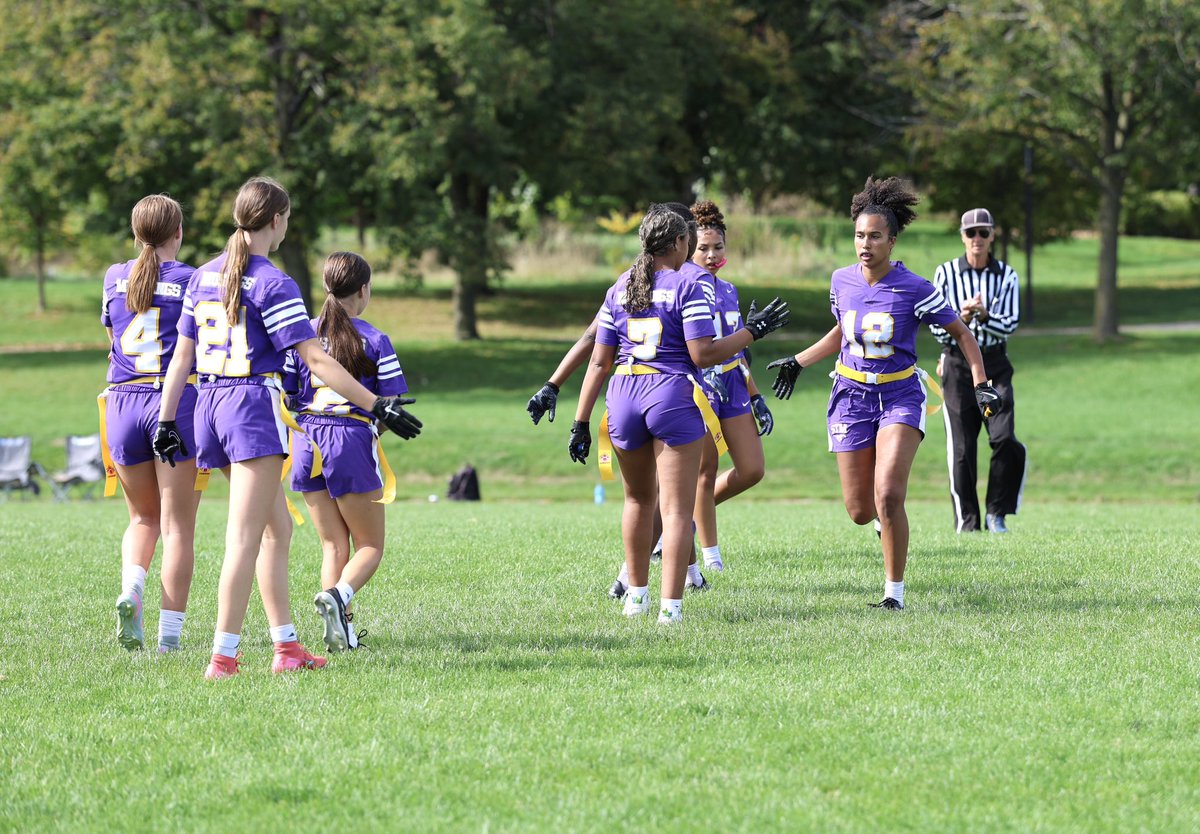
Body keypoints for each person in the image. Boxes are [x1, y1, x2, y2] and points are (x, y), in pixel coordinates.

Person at [153, 176, 422, 679]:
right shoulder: (274, 282)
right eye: (288, 219)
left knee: (276, 530)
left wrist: (167, 418)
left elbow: (182, 357)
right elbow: (316, 359)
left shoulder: (202, 276)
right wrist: (377, 405)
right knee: (244, 538)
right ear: (276, 220)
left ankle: (287, 647)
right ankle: (222, 658)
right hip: (249, 409)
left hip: (207, 406)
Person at [767, 176, 1001, 610]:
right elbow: (844, 331)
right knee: (860, 509)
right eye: (860, 235)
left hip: (900, 396)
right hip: (850, 397)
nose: (866, 244)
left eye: (875, 236)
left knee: (889, 494)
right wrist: (799, 361)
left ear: (892, 241)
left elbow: (963, 334)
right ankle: (880, 520)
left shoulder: (916, 288)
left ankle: (894, 594)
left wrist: (981, 384)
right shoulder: (841, 281)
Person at [569, 204, 789, 624]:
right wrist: (751, 332)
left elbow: (599, 362)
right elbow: (702, 353)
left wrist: (580, 421)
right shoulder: (690, 283)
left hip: (623, 394)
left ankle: (635, 598)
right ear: (679, 242)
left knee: (637, 500)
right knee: (675, 509)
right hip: (669, 392)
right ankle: (670, 609)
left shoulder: (620, 285)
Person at [282, 252, 408, 652]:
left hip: (305, 439)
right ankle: (338, 597)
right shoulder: (375, 339)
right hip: (349, 438)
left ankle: (343, 633)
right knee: (370, 546)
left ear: (326, 287)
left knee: (333, 545)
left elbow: (288, 394)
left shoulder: (303, 336)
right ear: (364, 290)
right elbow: (390, 406)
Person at [101, 194, 201, 652]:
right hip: (171, 403)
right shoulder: (192, 279)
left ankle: (132, 589)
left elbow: (112, 339)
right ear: (178, 232)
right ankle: (169, 640)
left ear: (135, 232)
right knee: (178, 527)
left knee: (142, 518)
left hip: (121, 403)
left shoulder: (113, 276)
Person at [930, 208, 1026, 533]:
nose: (977, 239)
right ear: (962, 237)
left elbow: (1009, 324)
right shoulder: (945, 274)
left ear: (993, 235)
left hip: (994, 364)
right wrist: (962, 320)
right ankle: (967, 523)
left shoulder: (1007, 276)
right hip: (957, 366)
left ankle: (996, 513)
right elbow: (937, 329)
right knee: (962, 448)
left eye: (983, 232)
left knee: (1004, 438)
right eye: (971, 233)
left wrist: (983, 316)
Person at [689, 200, 773, 576]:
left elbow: (737, 349)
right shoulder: (684, 289)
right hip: (699, 386)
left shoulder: (728, 289)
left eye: (718, 247)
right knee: (704, 471)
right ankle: (711, 556)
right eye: (703, 248)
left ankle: (681, 519)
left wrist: (756, 395)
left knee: (752, 469)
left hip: (733, 383)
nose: (711, 255)